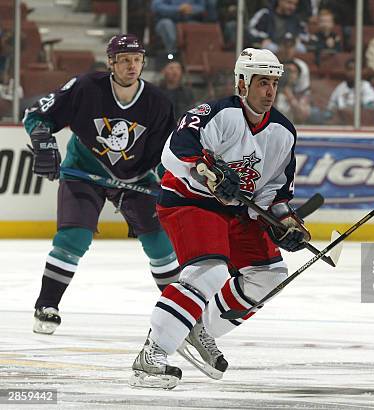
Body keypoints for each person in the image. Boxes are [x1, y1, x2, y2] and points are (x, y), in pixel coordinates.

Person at [129, 48, 310, 389]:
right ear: (242, 83)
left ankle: (195, 328)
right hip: (189, 200)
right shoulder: (215, 113)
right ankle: (152, 353)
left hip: (237, 211)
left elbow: (274, 192)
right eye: (262, 83)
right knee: (210, 271)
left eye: (273, 83)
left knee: (270, 276)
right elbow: (174, 151)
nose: (270, 91)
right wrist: (207, 172)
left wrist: (285, 222)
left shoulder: (283, 132)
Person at [23, 34, 180, 335]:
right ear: (111, 62)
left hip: (135, 179)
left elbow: (165, 154)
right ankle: (46, 304)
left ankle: (179, 313)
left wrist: (176, 180)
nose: (132, 66)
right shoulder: (85, 87)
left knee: (161, 246)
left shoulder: (158, 103)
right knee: (74, 238)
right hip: (84, 171)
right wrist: (42, 139)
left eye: (137, 60)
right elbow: (37, 115)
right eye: (124, 60)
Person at [152, 0, 217, 60]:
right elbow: (156, 6)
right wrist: (178, 8)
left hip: (189, 21)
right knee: (166, 25)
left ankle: (195, 59)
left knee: (197, 27)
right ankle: (172, 57)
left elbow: (201, 7)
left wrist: (191, 9)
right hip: (167, 19)